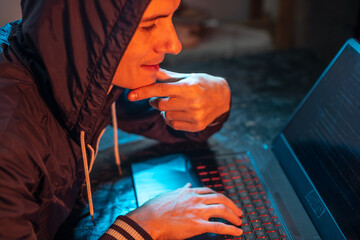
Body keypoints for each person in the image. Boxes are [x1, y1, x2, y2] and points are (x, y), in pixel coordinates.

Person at [0, 0, 243, 239]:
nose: (174, 44)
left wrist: (215, 101)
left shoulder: (85, 75)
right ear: (85, 29)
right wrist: (141, 228)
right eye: (148, 25)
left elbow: (172, 123)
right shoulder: (8, 142)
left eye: (171, 17)